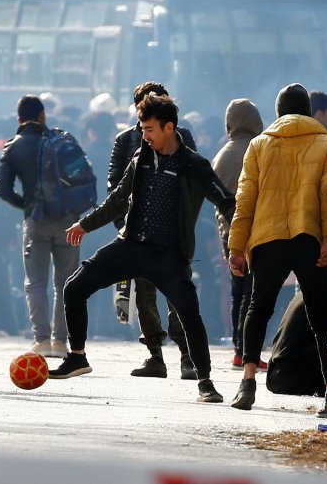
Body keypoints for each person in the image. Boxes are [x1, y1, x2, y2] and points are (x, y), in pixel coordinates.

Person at [51, 94, 232, 405]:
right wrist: (84, 225)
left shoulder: (194, 164)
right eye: (142, 128)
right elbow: (118, 200)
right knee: (74, 288)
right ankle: (77, 356)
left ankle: (205, 382)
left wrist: (239, 240)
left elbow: (226, 202)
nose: (144, 135)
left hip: (168, 256)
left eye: (149, 129)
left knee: (189, 313)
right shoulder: (141, 158)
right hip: (130, 245)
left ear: (168, 127)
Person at [227, 83, 327, 414]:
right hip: (309, 237)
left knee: (258, 308)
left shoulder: (259, 145)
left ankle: (247, 382)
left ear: (278, 112)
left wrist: (236, 245)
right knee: (320, 313)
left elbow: (245, 198)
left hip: (268, 237)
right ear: (308, 110)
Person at [107, 81, 198, 380]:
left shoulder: (181, 136)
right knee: (144, 296)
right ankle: (156, 355)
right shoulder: (125, 140)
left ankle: (186, 356)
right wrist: (124, 226)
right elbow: (114, 187)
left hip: (171, 233)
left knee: (176, 293)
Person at [0, 95, 86, 358]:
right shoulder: (63, 141)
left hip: (35, 221)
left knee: (35, 282)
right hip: (68, 220)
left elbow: (3, 190)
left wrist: (27, 206)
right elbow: (83, 181)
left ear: (19, 120)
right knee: (66, 283)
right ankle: (60, 342)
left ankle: (42, 339)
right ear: (43, 115)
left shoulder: (14, 147)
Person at [209, 98, 264, 369]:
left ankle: (238, 349)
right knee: (253, 293)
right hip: (254, 229)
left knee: (237, 291)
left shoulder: (221, 154)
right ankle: (247, 349)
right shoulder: (259, 149)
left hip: (227, 230)